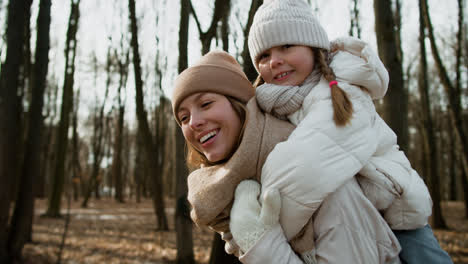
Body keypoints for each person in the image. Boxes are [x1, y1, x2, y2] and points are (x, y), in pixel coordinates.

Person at [227, 0, 452, 263]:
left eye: (286, 46)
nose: (275, 61)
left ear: (313, 47)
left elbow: (306, 163)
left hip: (395, 214)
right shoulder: (273, 106)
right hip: (345, 220)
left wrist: (255, 223)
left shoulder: (342, 89)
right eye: (263, 56)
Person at [172, 50, 401, 263]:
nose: (194, 122)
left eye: (206, 104)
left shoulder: (311, 163)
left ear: (239, 105)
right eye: (183, 118)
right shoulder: (221, 193)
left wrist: (259, 242)